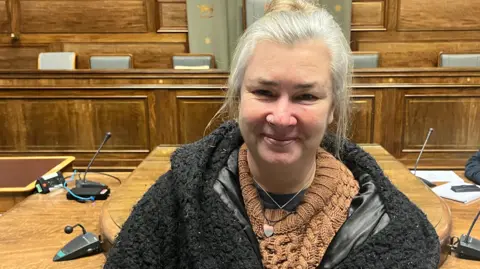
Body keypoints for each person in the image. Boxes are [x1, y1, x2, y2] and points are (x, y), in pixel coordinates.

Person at [104, 0, 440, 268]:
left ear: (334, 107)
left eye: (306, 96)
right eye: (264, 92)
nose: (281, 117)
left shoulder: (385, 222)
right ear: (237, 98)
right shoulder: (177, 196)